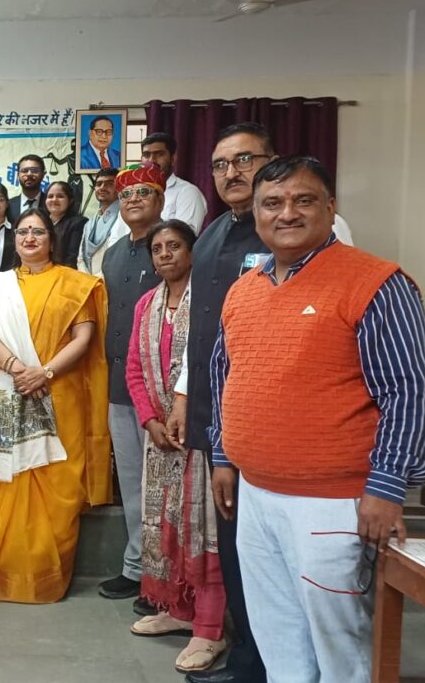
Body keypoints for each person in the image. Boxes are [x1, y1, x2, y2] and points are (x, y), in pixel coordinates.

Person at [210, 156, 425, 683]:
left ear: (330, 208)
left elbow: (407, 391)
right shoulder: (245, 288)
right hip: (255, 494)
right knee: (277, 633)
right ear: (256, 214)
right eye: (272, 203)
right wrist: (222, 454)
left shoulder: (375, 282)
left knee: (339, 644)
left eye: (303, 200)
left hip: (333, 500)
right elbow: (224, 374)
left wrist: (386, 486)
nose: (287, 213)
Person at [167, 122, 275, 683]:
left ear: (272, 162)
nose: (231, 173)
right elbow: (200, 328)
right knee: (235, 545)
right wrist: (185, 393)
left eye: (244, 160)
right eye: (220, 164)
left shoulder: (291, 229)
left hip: (271, 419)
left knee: (269, 550)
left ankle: (277, 663)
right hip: (217, 418)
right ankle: (249, 658)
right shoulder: (210, 234)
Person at [0, 209, 111, 604]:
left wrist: (43, 373)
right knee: (10, 480)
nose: (30, 238)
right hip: (12, 390)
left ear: (51, 239)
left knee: (60, 482)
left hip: (60, 394)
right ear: (14, 240)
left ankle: (46, 579)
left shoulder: (74, 284)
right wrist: (18, 368)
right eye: (23, 232)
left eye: (38, 232)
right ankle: (5, 573)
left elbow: (84, 338)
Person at [125, 220, 229, 675]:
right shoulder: (146, 304)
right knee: (166, 526)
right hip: (161, 439)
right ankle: (178, 608)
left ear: (193, 251)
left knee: (203, 530)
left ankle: (209, 628)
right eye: (157, 248)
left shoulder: (210, 302)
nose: (165, 254)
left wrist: (189, 415)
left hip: (201, 434)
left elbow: (218, 365)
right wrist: (150, 419)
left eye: (174, 246)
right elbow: (134, 367)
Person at [98, 163, 166, 609]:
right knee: (131, 483)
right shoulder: (113, 254)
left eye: (144, 192)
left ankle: (165, 578)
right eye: (126, 195)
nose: (134, 200)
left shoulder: (172, 246)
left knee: (164, 485)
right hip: (119, 385)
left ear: (161, 199)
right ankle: (136, 567)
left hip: (161, 390)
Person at [142, 133, 208, 233]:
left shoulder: (188, 192)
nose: (151, 160)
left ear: (172, 159)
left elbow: (182, 237)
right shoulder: (134, 193)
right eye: (146, 155)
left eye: (159, 154)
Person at [78, 168, 129, 273]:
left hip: (113, 277)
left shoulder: (126, 218)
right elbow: (81, 258)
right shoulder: (89, 223)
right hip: (88, 280)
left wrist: (99, 279)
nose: (102, 187)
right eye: (98, 184)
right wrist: (87, 279)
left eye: (109, 183)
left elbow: (121, 256)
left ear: (120, 187)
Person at [45, 179, 88, 269]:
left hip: (64, 273)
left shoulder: (79, 223)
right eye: (50, 196)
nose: (54, 199)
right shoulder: (41, 222)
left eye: (60, 196)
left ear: (70, 200)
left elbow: (72, 259)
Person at [7, 154, 46, 224]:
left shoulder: (51, 204)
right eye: (24, 171)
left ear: (43, 175)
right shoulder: (8, 206)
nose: (29, 174)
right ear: (18, 175)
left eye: (34, 171)